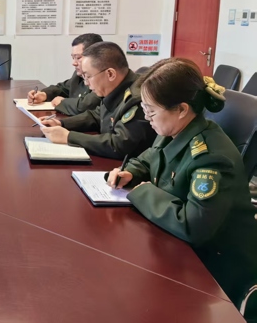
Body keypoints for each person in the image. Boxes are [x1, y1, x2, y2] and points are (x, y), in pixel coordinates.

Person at [106, 58, 257, 309]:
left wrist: (143, 192)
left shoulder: (211, 157)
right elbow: (151, 157)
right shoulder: (176, 130)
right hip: (178, 246)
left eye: (151, 111)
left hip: (216, 266)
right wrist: (130, 172)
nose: (147, 117)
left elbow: (193, 226)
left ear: (181, 109)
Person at [40, 41, 156, 159]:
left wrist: (68, 137)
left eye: (88, 76)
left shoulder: (138, 98)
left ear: (110, 74)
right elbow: (97, 116)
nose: (86, 83)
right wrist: (62, 123)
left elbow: (120, 144)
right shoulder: (114, 87)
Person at [27, 33, 103, 116]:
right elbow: (63, 88)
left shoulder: (102, 77)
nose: (74, 63)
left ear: (95, 56)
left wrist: (63, 102)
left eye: (78, 58)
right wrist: (44, 94)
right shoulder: (78, 74)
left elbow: (84, 106)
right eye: (73, 58)